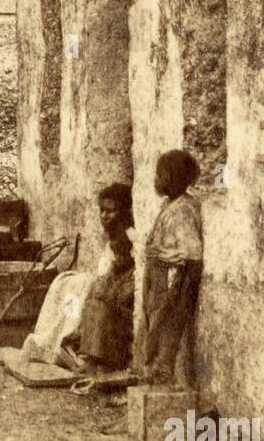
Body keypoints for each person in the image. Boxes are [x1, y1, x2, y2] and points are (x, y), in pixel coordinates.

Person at [22, 183, 136, 374]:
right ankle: (60, 336)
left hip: (124, 289)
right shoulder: (112, 235)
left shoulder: (131, 235)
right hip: (110, 281)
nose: (105, 216)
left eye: (111, 211)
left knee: (91, 294)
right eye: (102, 210)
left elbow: (133, 268)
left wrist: (108, 281)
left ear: (123, 212)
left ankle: (78, 345)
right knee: (68, 283)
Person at [138, 149, 203, 386]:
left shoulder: (183, 209)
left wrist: (179, 287)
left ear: (171, 178)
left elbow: (192, 253)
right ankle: (152, 386)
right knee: (152, 326)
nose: (156, 180)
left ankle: (162, 387)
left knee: (164, 331)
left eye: (160, 175)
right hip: (158, 275)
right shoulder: (169, 205)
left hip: (172, 278)